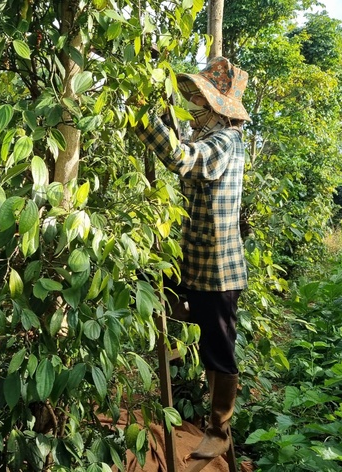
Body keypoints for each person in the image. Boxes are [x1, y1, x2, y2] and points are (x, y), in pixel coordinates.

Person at [134, 56, 250, 460]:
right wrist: (163, 117)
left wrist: (143, 120)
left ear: (216, 108)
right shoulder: (213, 138)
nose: (194, 108)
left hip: (218, 271)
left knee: (220, 350)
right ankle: (178, 345)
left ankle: (219, 428)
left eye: (199, 101)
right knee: (161, 292)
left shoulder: (225, 143)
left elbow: (182, 159)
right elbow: (185, 144)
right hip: (195, 265)